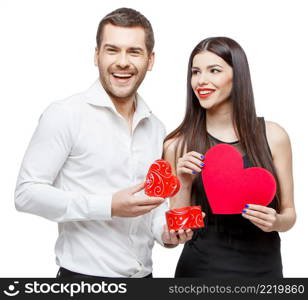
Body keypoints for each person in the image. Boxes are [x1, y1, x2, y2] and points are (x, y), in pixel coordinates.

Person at [15, 7, 193, 279]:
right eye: (112, 50)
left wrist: (166, 234)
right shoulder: (65, 114)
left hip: (144, 280)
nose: (123, 62)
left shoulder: (156, 127)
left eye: (134, 52)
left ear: (150, 59)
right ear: (96, 55)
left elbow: (153, 202)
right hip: (83, 280)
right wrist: (108, 205)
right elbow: (26, 194)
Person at [163, 37, 296, 278]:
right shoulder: (177, 144)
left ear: (238, 76)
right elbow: (180, 232)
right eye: (195, 72)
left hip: (264, 272)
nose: (201, 80)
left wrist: (275, 221)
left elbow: (289, 214)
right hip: (200, 271)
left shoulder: (274, 136)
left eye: (214, 70)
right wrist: (183, 180)